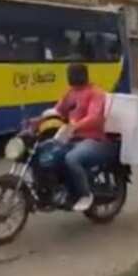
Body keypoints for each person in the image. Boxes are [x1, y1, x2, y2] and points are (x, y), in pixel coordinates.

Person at [40, 63, 116, 212]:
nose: (71, 77)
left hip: (94, 140)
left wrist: (75, 126)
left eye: (74, 74)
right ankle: (58, 191)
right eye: (69, 74)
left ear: (83, 75)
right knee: (47, 153)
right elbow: (57, 111)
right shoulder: (70, 93)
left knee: (72, 158)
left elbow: (94, 117)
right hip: (72, 139)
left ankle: (85, 195)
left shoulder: (96, 93)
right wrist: (36, 121)